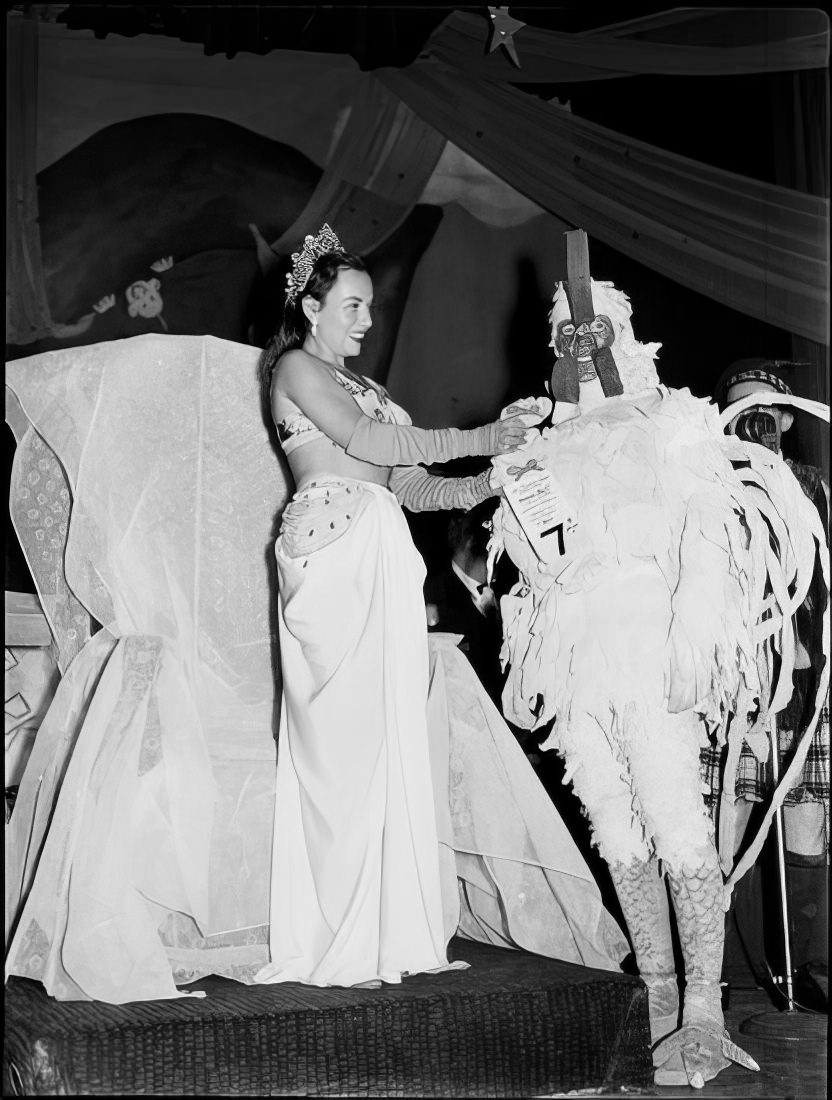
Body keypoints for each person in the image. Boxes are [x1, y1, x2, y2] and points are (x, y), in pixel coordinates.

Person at [252, 224, 532, 989]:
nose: (366, 319)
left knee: (387, 741)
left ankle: (383, 936)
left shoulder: (372, 390)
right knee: (340, 749)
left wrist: (488, 479)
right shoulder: (297, 368)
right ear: (310, 307)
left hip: (380, 548)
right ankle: (332, 933)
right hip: (333, 551)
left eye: (370, 305)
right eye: (351, 304)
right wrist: (479, 431)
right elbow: (357, 438)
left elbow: (409, 487)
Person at [702, 359, 829, 1012]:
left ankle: (805, 966)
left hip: (806, 682)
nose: (755, 422)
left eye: (765, 411)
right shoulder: (703, 485)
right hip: (735, 684)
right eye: (738, 408)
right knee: (728, 822)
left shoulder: (815, 487)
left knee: (807, 825)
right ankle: (715, 970)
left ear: (785, 419)